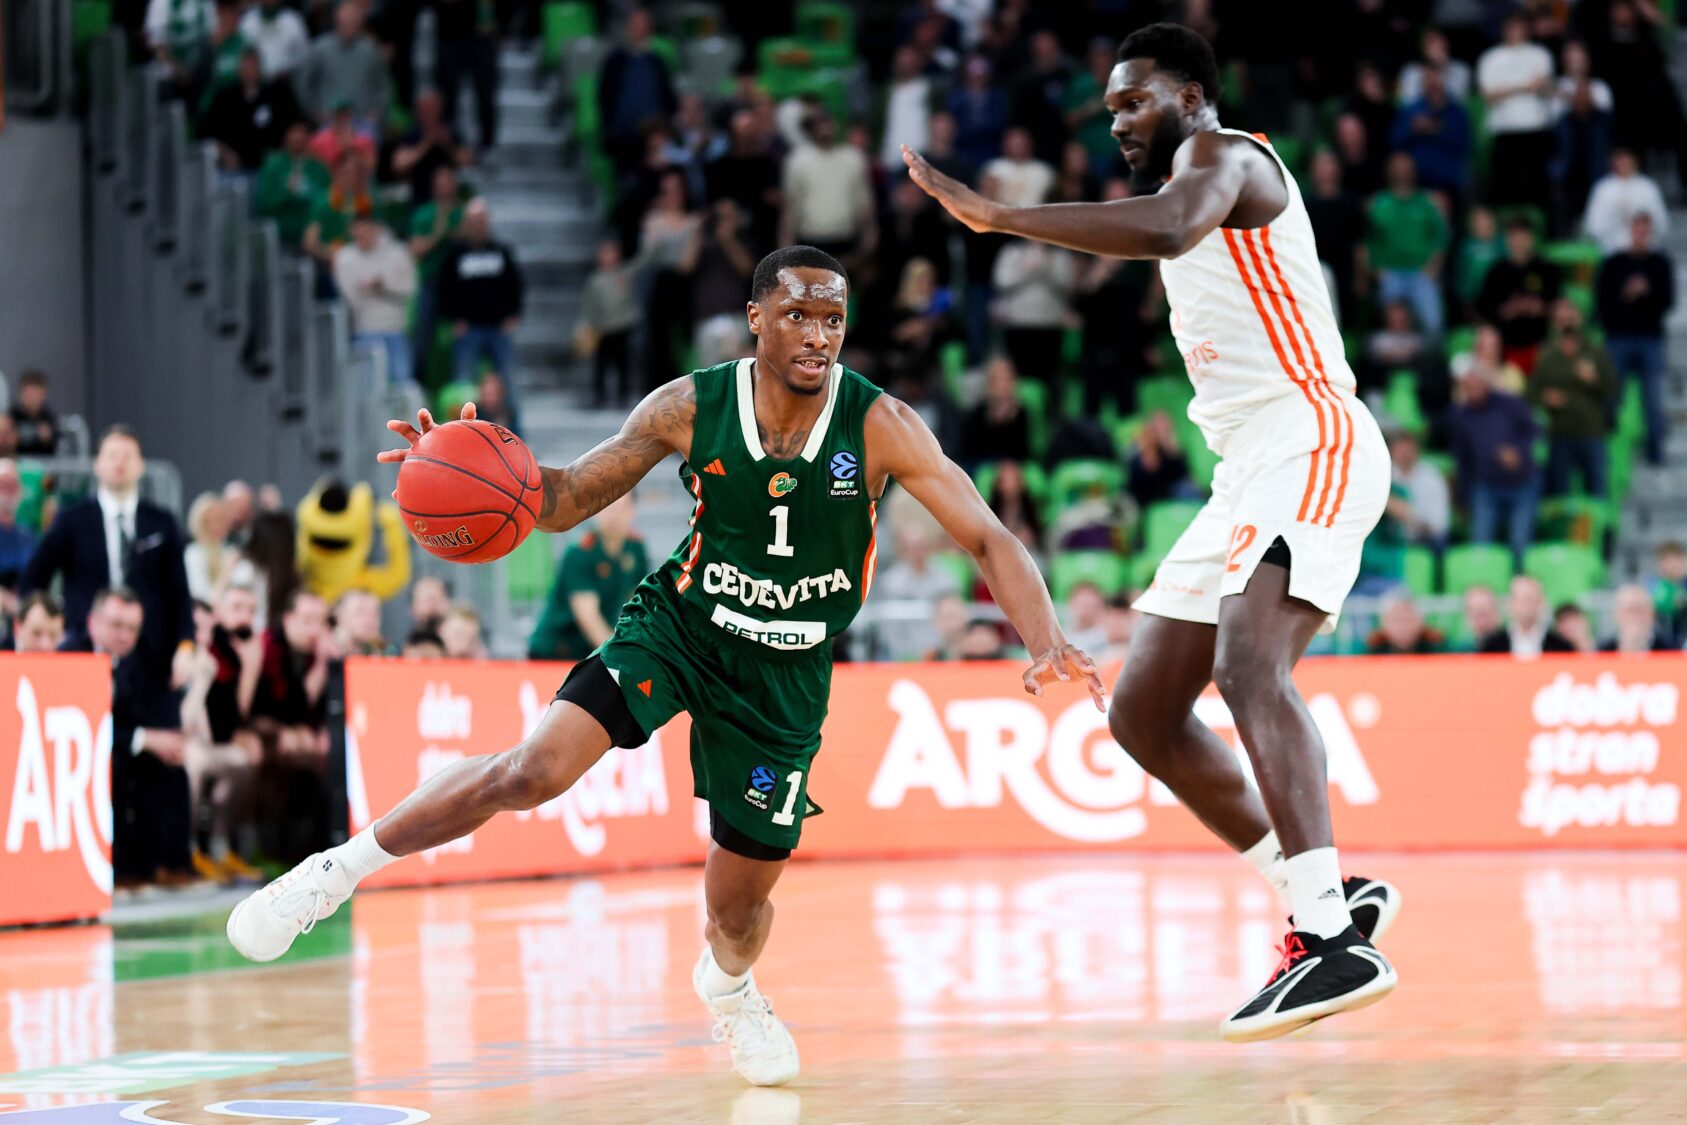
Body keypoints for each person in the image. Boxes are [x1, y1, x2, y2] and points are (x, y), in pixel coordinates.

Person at [228, 244, 1104, 1088]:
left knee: (736, 914)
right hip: (681, 627)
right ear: (754, 318)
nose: (817, 335)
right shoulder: (686, 405)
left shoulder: (881, 424)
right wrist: (455, 461)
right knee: (532, 770)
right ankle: (334, 871)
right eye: (796, 315)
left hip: (786, 675)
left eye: (832, 320)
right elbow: (564, 499)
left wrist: (1045, 637)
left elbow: (988, 536)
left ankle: (729, 988)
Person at [904, 23, 1400, 1041]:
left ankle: (1329, 944)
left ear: (1189, 94)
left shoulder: (1226, 155)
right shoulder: (1194, 174)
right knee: (1140, 713)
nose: (1118, 122)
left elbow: (1172, 228)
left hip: (1309, 435)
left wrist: (999, 216)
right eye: (1109, 110)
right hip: (1246, 466)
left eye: (1133, 101)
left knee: (1249, 667)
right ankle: (1324, 892)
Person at [22, 427, 195, 687]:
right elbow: (33, 580)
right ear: (97, 464)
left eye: (127, 456)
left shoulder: (162, 522)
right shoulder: (72, 520)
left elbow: (179, 593)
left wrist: (186, 646)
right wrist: (54, 632)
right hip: (83, 650)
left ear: (140, 466)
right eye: (112, 455)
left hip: (151, 655)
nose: (119, 463)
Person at [65, 588, 194, 887]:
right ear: (92, 622)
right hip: (81, 753)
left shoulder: (137, 660)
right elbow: (79, 726)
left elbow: (150, 710)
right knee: (116, 768)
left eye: (132, 628)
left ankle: (166, 867)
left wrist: (163, 741)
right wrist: (143, 739)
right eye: (116, 625)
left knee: (170, 767)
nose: (124, 635)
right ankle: (118, 869)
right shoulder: (72, 654)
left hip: (122, 743)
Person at [181, 582, 264, 882]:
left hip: (211, 742)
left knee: (243, 760)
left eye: (251, 610)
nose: (244, 616)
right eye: (237, 607)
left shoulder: (231, 653)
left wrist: (251, 666)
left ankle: (220, 847)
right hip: (182, 741)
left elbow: (236, 713)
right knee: (195, 762)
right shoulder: (187, 653)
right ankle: (187, 851)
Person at [529, 494, 649, 661]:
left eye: (621, 509)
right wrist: (621, 656)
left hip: (592, 653)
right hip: (556, 651)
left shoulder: (635, 548)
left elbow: (637, 604)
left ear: (632, 511)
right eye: (608, 507)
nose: (614, 516)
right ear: (596, 511)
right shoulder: (580, 552)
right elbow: (588, 618)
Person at [439, 200, 524, 427]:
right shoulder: (456, 253)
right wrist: (454, 319)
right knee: (464, 387)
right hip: (468, 329)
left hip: (498, 327)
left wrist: (513, 315)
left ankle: (516, 435)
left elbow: (515, 284)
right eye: (474, 220)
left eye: (481, 220)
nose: (478, 225)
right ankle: (462, 435)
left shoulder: (501, 251)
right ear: (467, 223)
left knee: (508, 383)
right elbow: (444, 287)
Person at [1598, 213, 1673, 466]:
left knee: (1653, 397)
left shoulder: (1660, 263)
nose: (1640, 234)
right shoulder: (1613, 264)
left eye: (1645, 230)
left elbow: (1667, 302)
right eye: (1637, 229)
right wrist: (1627, 294)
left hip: (1650, 339)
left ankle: (1655, 453)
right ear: (1629, 230)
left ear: (1650, 232)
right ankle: (1605, 446)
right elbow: (1603, 305)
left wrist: (1647, 292)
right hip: (1618, 338)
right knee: (1611, 394)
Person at [1445, 365, 1540, 565]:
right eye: (1468, 387)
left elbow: (1534, 432)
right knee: (1480, 543)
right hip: (1486, 486)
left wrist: (1518, 452)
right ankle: (1483, 581)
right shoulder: (1461, 416)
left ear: (1486, 385)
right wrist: (1463, 498)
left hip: (1522, 484)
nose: (1472, 391)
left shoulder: (1511, 404)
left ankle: (1520, 581)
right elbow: (1463, 460)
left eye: (1475, 386)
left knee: (1519, 543)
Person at [1527, 301, 1617, 497]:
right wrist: (1545, 397)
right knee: (1561, 494)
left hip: (1591, 432)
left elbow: (1612, 389)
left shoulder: (1594, 350)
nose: (1566, 322)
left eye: (1570, 316)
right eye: (1561, 318)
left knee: (1597, 490)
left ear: (1580, 319)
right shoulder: (1547, 353)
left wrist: (1594, 380)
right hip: (1560, 434)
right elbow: (1531, 392)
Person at [1477, 14, 1555, 216]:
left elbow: (1544, 87)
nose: (1516, 31)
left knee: (1537, 191)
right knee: (1505, 192)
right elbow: (1489, 96)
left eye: (1520, 26)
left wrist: (1508, 89)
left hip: (1535, 128)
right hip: (1505, 130)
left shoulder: (1540, 54)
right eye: (1512, 27)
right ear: (1504, 30)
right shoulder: (1491, 58)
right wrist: (1524, 87)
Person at [779, 111, 875, 270]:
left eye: (827, 123)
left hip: (846, 240)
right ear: (811, 129)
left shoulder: (853, 158)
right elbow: (790, 205)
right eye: (819, 124)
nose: (824, 129)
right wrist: (785, 246)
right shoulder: (798, 160)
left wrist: (869, 239)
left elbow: (865, 203)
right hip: (809, 240)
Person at [335, 214, 418, 386]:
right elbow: (350, 298)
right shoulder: (345, 258)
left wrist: (383, 287)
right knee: (366, 388)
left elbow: (409, 288)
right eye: (358, 231)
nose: (362, 235)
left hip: (396, 330)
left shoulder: (398, 253)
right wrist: (377, 291)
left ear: (376, 229)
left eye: (366, 230)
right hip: (364, 330)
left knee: (403, 385)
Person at [408, 165, 470, 385]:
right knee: (423, 335)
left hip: (460, 285)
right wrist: (439, 233)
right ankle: (416, 381)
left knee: (463, 334)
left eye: (448, 183)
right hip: (432, 280)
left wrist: (461, 231)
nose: (445, 188)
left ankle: (461, 382)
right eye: (440, 184)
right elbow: (415, 250)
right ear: (434, 188)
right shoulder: (425, 213)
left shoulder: (463, 213)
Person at [1475, 217, 1561, 375]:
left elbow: (1558, 306)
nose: (1520, 242)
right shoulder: (1496, 273)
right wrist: (1507, 310)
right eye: (1515, 237)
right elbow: (1484, 311)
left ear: (1532, 239)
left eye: (1524, 237)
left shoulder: (1548, 270)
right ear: (1508, 240)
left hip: (1540, 346)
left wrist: (1541, 308)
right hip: (1506, 348)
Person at [198, 47, 304, 174]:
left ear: (260, 67)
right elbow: (206, 132)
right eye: (245, 65)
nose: (248, 70)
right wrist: (224, 153)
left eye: (252, 65)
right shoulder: (224, 97)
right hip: (234, 168)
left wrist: (282, 153)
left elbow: (296, 125)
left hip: (272, 166)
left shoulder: (277, 93)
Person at [598, 7, 677, 174]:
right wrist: (610, 129)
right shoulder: (615, 61)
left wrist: (663, 131)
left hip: (652, 138)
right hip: (623, 135)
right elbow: (605, 97)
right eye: (636, 25)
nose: (640, 30)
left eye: (644, 26)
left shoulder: (657, 62)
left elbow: (668, 97)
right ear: (629, 28)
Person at [292, 1, 390, 129]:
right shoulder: (321, 49)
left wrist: (377, 113)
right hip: (329, 120)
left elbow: (383, 86)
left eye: (352, 22)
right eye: (344, 22)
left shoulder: (370, 50)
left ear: (360, 23)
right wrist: (314, 111)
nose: (348, 26)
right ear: (336, 20)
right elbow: (303, 84)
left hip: (363, 120)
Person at [433, 0, 498, 154]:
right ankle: (448, 145)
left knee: (485, 93)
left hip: (481, 35)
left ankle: (487, 145)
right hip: (450, 33)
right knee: (448, 94)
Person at [255, 121, 331, 250]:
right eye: (293, 136)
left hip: (313, 231)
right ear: (286, 138)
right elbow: (265, 204)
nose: (297, 140)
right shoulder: (274, 167)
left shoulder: (318, 168)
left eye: (301, 137)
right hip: (282, 233)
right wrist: (288, 192)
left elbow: (326, 198)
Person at [391, 89, 470, 211]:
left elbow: (467, 160)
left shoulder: (450, 132)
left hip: (448, 199)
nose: (430, 113)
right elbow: (398, 164)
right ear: (419, 110)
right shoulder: (412, 135)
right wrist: (425, 145)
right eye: (426, 108)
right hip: (420, 199)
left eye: (433, 108)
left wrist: (447, 144)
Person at [1583, 149, 1668, 254]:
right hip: (1612, 246)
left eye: (1627, 162)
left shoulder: (1648, 186)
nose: (1624, 166)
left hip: (1645, 246)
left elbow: (1659, 219)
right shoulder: (1603, 188)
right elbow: (1595, 223)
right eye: (1621, 163)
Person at [959, 356, 1031, 466]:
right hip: (984, 467)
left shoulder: (1022, 414)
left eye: (1004, 379)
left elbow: (1027, 452)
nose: (1000, 385)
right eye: (995, 380)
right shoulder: (977, 414)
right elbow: (970, 453)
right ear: (988, 383)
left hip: (1017, 467)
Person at [1479, 576, 1575, 657]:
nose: (1525, 606)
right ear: (1509, 602)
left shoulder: (1561, 647)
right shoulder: (1491, 647)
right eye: (1519, 599)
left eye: (1530, 598)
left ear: (1541, 602)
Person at [1387, 432, 1450, 549]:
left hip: (1424, 537)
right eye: (1400, 449)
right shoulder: (1385, 475)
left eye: (1408, 449)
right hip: (1391, 537)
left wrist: (1411, 518)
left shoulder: (1431, 477)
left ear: (1417, 450)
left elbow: (1438, 524)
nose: (1404, 454)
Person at [183, 491, 233, 602]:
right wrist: (226, 571)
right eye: (210, 521)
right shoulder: (194, 554)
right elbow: (203, 598)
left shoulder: (230, 551)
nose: (216, 526)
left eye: (220, 519)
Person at [240, 0, 309, 80]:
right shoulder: (248, 21)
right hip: (256, 82)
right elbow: (241, 55)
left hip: (287, 81)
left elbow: (304, 57)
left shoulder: (294, 21)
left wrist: (289, 70)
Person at [1602, 583, 1674, 653]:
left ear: (1651, 614)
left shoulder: (1669, 650)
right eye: (1630, 610)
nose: (1634, 617)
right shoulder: (1603, 651)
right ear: (1617, 614)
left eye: (1639, 610)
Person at [1364, 593, 1444, 655]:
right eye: (1396, 620)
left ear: (1421, 622)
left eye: (1408, 620)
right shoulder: (1371, 652)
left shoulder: (1437, 649)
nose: (1403, 627)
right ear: (1384, 623)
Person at [10, 369, 58, 455]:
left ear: (43, 395)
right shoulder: (11, 417)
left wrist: (48, 438)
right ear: (21, 394)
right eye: (29, 395)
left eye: (36, 395)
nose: (33, 400)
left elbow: (54, 447)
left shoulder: (48, 418)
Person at [1648, 541, 1687, 647]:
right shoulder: (1652, 585)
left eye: (1675, 559)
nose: (1671, 565)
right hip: (1660, 642)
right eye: (1666, 560)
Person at [332, 587, 389, 656]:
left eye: (375, 613)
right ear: (339, 615)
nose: (370, 619)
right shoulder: (327, 654)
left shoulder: (385, 653)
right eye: (361, 612)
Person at [1461, 584, 1503, 651]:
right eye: (1478, 614)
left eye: (1485, 613)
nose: (1483, 621)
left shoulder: (1513, 645)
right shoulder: (1460, 650)